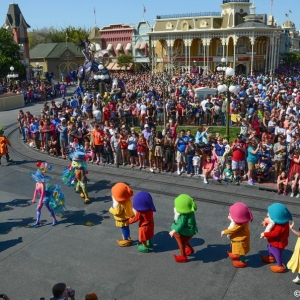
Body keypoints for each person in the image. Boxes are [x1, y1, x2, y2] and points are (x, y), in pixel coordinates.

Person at [169, 194, 198, 263]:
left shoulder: (182, 215)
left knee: (181, 243)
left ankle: (183, 256)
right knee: (185, 241)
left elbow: (180, 224)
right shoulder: (190, 211)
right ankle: (190, 249)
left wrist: (173, 230)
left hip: (184, 231)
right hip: (191, 230)